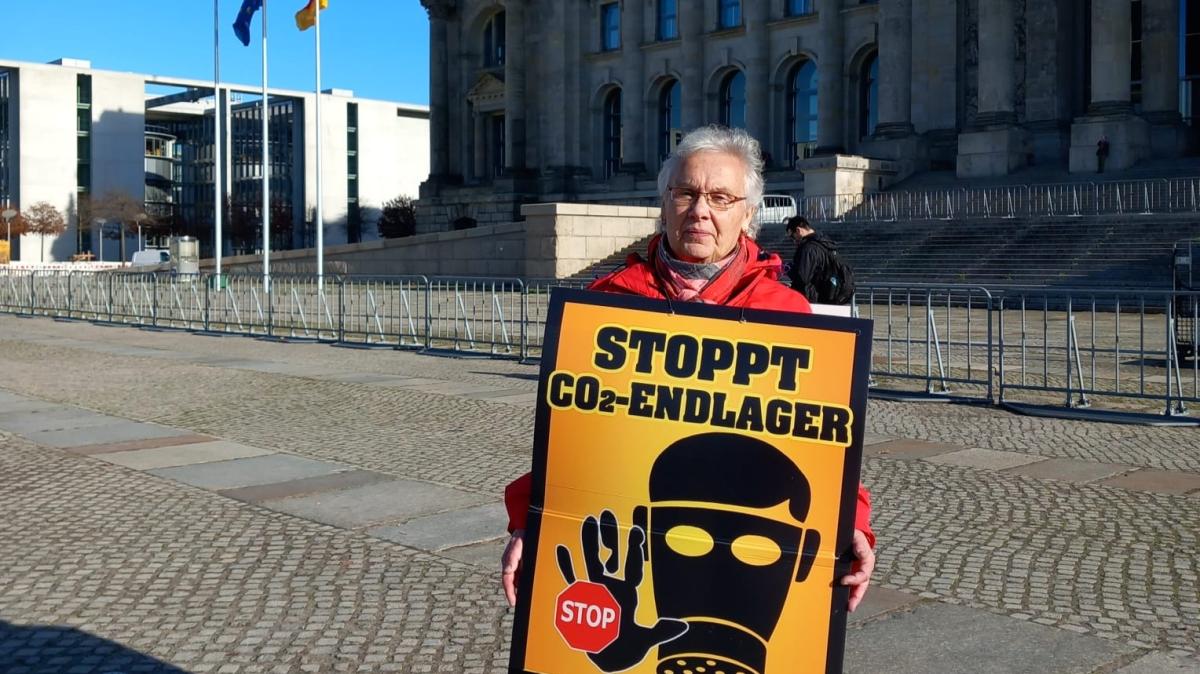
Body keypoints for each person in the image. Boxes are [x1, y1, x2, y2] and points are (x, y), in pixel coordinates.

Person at [500, 125, 876, 613]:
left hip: (743, 551)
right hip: (629, 545)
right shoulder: (605, 303)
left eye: (721, 197)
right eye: (686, 193)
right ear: (664, 202)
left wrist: (853, 520)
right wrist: (530, 519)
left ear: (748, 215)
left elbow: (817, 440)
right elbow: (572, 432)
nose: (700, 210)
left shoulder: (786, 312)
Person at [786, 215, 838, 304]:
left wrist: (789, 269)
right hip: (827, 295)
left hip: (811, 299)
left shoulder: (808, 248)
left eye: (793, 237)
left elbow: (802, 278)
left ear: (798, 230)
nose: (794, 241)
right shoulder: (825, 243)